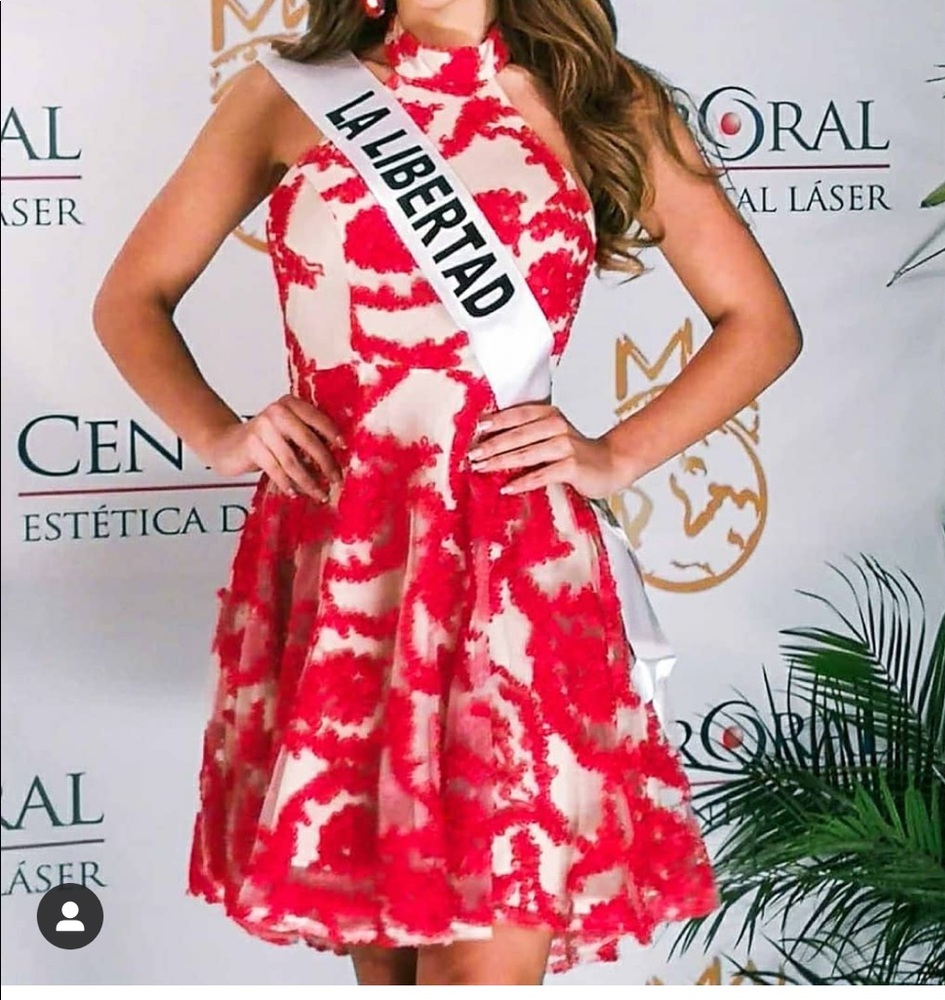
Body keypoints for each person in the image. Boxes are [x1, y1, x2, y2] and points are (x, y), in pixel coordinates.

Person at [92, 0, 801, 986]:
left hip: (518, 575)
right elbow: (131, 296)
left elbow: (756, 320)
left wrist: (616, 455)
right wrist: (220, 429)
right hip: (351, 570)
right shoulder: (288, 96)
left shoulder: (604, 99)